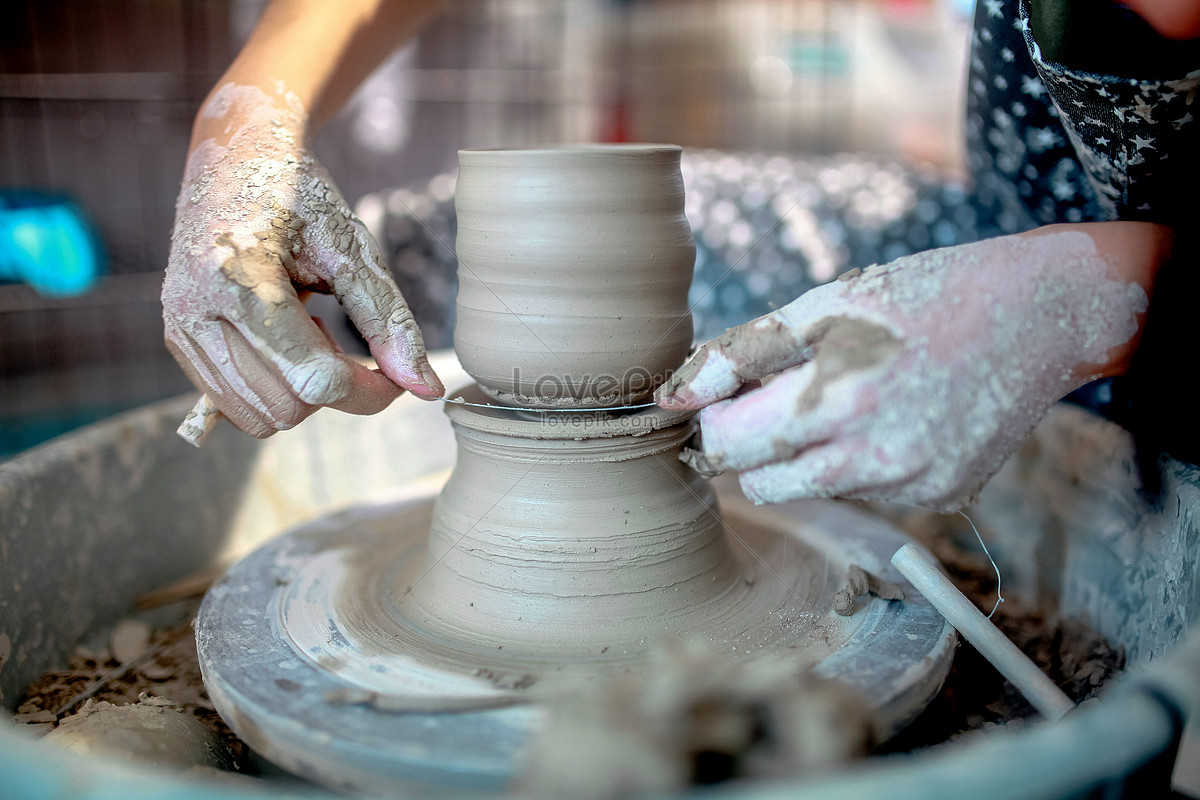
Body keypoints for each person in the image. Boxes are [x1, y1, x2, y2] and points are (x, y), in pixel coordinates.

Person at [162, 0, 1198, 510]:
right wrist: (244, 128)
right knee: (428, 254)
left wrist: (1096, 293)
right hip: (1015, 218)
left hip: (1157, 321)